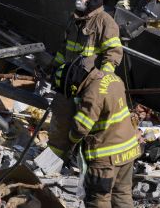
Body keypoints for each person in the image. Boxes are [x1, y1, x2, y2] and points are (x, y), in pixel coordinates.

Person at [48, 0, 124, 158]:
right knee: (59, 124)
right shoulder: (74, 20)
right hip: (67, 86)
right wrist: (53, 69)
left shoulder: (105, 22)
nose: (78, 0)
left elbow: (113, 54)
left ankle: (77, 164)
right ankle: (52, 163)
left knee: (83, 129)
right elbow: (64, 49)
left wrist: (100, 84)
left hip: (88, 89)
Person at [54, 57, 139, 208]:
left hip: (106, 158)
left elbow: (81, 127)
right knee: (122, 195)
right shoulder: (112, 77)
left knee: (98, 199)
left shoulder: (91, 93)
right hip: (128, 150)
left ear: (73, 83)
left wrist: (71, 142)